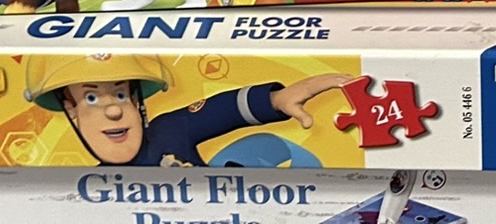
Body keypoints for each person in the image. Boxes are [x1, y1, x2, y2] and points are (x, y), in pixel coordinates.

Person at [22, 54, 346, 166]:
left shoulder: (168, 132)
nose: (114, 112)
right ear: (71, 109)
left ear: (136, 101)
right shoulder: (87, 188)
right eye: (91, 98)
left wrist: (277, 99)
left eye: (120, 95)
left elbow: (221, 110)